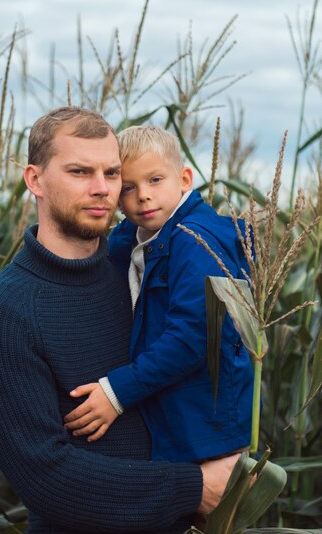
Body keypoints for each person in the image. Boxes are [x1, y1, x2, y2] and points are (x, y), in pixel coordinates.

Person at [0, 107, 240, 534]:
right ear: (35, 178)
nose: (103, 188)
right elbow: (48, 479)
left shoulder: (140, 273)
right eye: (79, 172)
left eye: (111, 172)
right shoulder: (3, 311)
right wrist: (195, 487)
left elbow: (206, 355)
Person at [64, 125, 254, 465]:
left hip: (208, 432)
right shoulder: (144, 237)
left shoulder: (195, 242)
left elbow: (191, 338)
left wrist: (117, 392)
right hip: (180, 424)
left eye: (155, 180)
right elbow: (116, 249)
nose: (143, 196)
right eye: (128, 188)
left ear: (183, 179)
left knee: (215, 516)